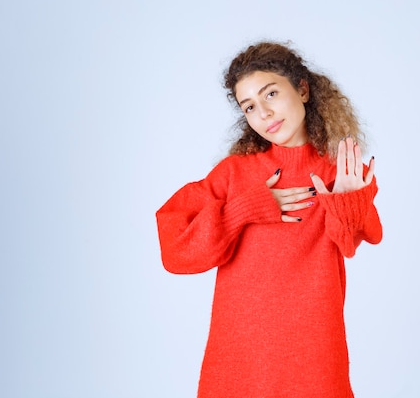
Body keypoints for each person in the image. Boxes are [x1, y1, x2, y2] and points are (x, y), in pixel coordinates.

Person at [156, 41, 382, 398]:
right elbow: (175, 248)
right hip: (239, 358)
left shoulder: (337, 172)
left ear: (303, 90)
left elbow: (350, 240)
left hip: (314, 355)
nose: (263, 112)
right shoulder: (234, 174)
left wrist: (347, 199)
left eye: (271, 93)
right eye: (249, 106)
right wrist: (243, 210)